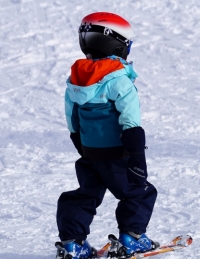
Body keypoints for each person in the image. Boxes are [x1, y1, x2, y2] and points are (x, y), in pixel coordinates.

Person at [55, 12, 158, 259]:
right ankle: (132, 238)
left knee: (85, 194)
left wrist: (79, 142)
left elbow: (72, 116)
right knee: (140, 192)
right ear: (118, 44)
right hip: (118, 153)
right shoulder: (118, 80)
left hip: (89, 152)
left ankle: (73, 243)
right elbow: (130, 121)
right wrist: (136, 157)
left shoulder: (76, 79)